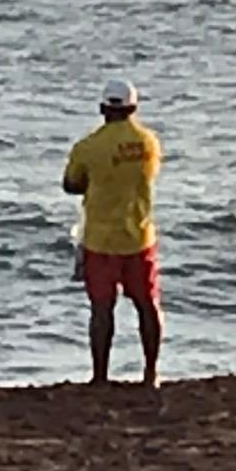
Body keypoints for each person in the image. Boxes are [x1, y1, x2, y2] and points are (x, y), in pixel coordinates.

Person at [61, 78, 164, 387]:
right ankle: (151, 374)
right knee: (147, 304)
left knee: (102, 308)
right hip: (139, 236)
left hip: (100, 239)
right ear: (133, 107)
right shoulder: (149, 143)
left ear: (103, 108)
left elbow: (71, 184)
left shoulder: (88, 147)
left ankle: (100, 377)